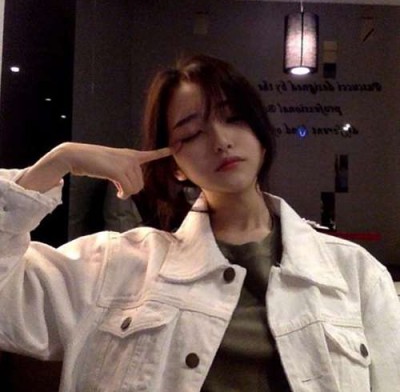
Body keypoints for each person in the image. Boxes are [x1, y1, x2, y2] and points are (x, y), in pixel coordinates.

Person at [0, 54, 399, 392]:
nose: (220, 140)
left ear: (261, 135)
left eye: (234, 118)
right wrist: (58, 162)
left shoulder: (355, 273)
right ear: (174, 165)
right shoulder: (117, 267)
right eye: (192, 133)